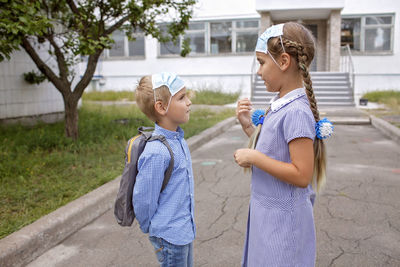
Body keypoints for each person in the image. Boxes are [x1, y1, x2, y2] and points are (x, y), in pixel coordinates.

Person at [234, 22, 333, 267]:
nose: (258, 72)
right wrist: (248, 126)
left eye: (261, 62)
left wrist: (254, 158)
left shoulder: (296, 112)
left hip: (282, 223)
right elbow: (272, 147)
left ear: (284, 61)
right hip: (268, 216)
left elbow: (301, 175)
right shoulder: (281, 103)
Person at [133, 72, 195, 267]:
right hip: (169, 237)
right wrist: (154, 228)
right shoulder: (157, 151)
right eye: (181, 98)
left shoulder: (178, 140)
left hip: (183, 231)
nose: (189, 102)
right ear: (161, 107)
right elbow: (143, 199)